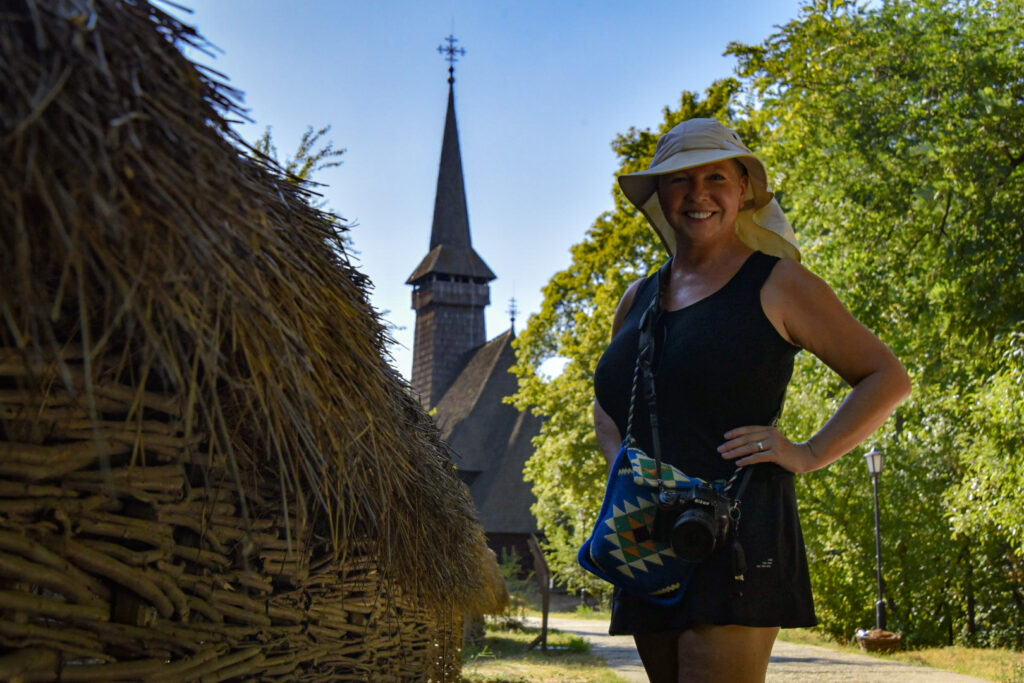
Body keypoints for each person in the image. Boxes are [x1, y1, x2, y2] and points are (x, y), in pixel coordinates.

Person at [592, 118, 911, 682]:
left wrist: (808, 453)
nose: (698, 193)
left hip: (738, 530)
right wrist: (626, 467)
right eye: (679, 179)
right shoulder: (638, 296)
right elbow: (609, 400)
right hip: (645, 533)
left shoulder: (779, 283)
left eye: (716, 177)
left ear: (743, 189)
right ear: (660, 194)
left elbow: (887, 377)